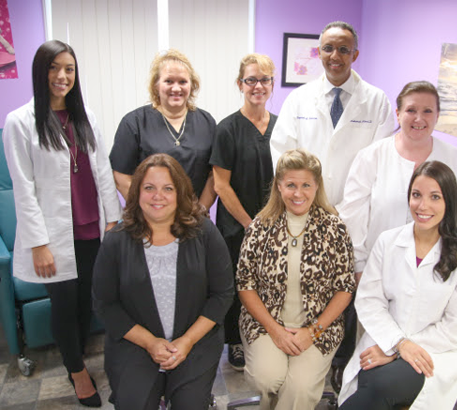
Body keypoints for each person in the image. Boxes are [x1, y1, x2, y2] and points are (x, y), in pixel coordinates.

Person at [2, 40, 122, 407]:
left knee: (86, 299)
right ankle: (77, 371)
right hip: (53, 235)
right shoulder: (20, 122)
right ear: (41, 72)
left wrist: (112, 220)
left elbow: (102, 170)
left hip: (90, 228)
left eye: (69, 69)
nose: (62, 76)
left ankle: (77, 355)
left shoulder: (85, 116)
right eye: (54, 68)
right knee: (64, 304)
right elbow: (23, 188)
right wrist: (38, 243)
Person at [338, 161, 457, 410]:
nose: (423, 205)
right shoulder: (388, 242)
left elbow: (455, 328)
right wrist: (398, 344)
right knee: (372, 381)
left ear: (449, 202)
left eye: (435, 197)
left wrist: (398, 350)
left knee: (380, 385)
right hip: (385, 342)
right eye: (416, 195)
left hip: (436, 353)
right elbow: (369, 301)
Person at [93, 153, 234, 410]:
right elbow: (105, 304)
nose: (158, 196)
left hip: (194, 340)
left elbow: (222, 294)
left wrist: (187, 341)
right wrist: (150, 342)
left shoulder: (205, 233)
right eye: (149, 188)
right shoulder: (116, 241)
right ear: (137, 192)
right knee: (133, 404)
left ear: (180, 193)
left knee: (190, 405)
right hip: (135, 343)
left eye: (168, 188)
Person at [237, 149, 356, 409]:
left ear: (317, 186)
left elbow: (345, 287)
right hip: (265, 324)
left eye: (306, 185)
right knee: (267, 378)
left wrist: (312, 332)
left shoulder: (335, 228)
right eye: (291, 185)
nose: (298, 193)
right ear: (279, 186)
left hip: (320, 327)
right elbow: (245, 284)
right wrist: (275, 331)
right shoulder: (260, 227)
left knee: (300, 387)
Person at [339, 80, 457, 281]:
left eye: (427, 111)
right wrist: (358, 265)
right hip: (377, 269)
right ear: (398, 114)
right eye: (411, 110)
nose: (419, 118)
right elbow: (353, 216)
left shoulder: (454, 158)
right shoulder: (372, 156)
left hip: (436, 270)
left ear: (437, 116)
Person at [270, 21, 394, 207]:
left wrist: (349, 208)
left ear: (355, 55)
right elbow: (282, 154)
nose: (335, 56)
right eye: (328, 48)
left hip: (356, 209)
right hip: (304, 204)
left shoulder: (377, 101)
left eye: (343, 49)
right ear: (319, 52)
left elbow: (380, 161)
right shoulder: (298, 99)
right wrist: (298, 195)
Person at [210, 53, 277, 371]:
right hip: (238, 226)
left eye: (264, 80)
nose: (258, 86)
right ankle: (235, 341)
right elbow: (221, 185)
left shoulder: (282, 126)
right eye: (251, 80)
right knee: (239, 285)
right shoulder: (227, 129)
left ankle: (267, 334)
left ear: (272, 84)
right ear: (240, 84)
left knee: (271, 284)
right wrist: (250, 224)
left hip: (275, 225)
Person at [110, 49, 216, 212]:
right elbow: (121, 176)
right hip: (150, 217)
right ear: (156, 85)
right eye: (169, 81)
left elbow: (214, 174)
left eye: (183, 82)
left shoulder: (206, 122)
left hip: (194, 216)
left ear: (192, 85)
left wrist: (200, 210)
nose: (176, 88)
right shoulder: (134, 123)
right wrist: (150, 210)